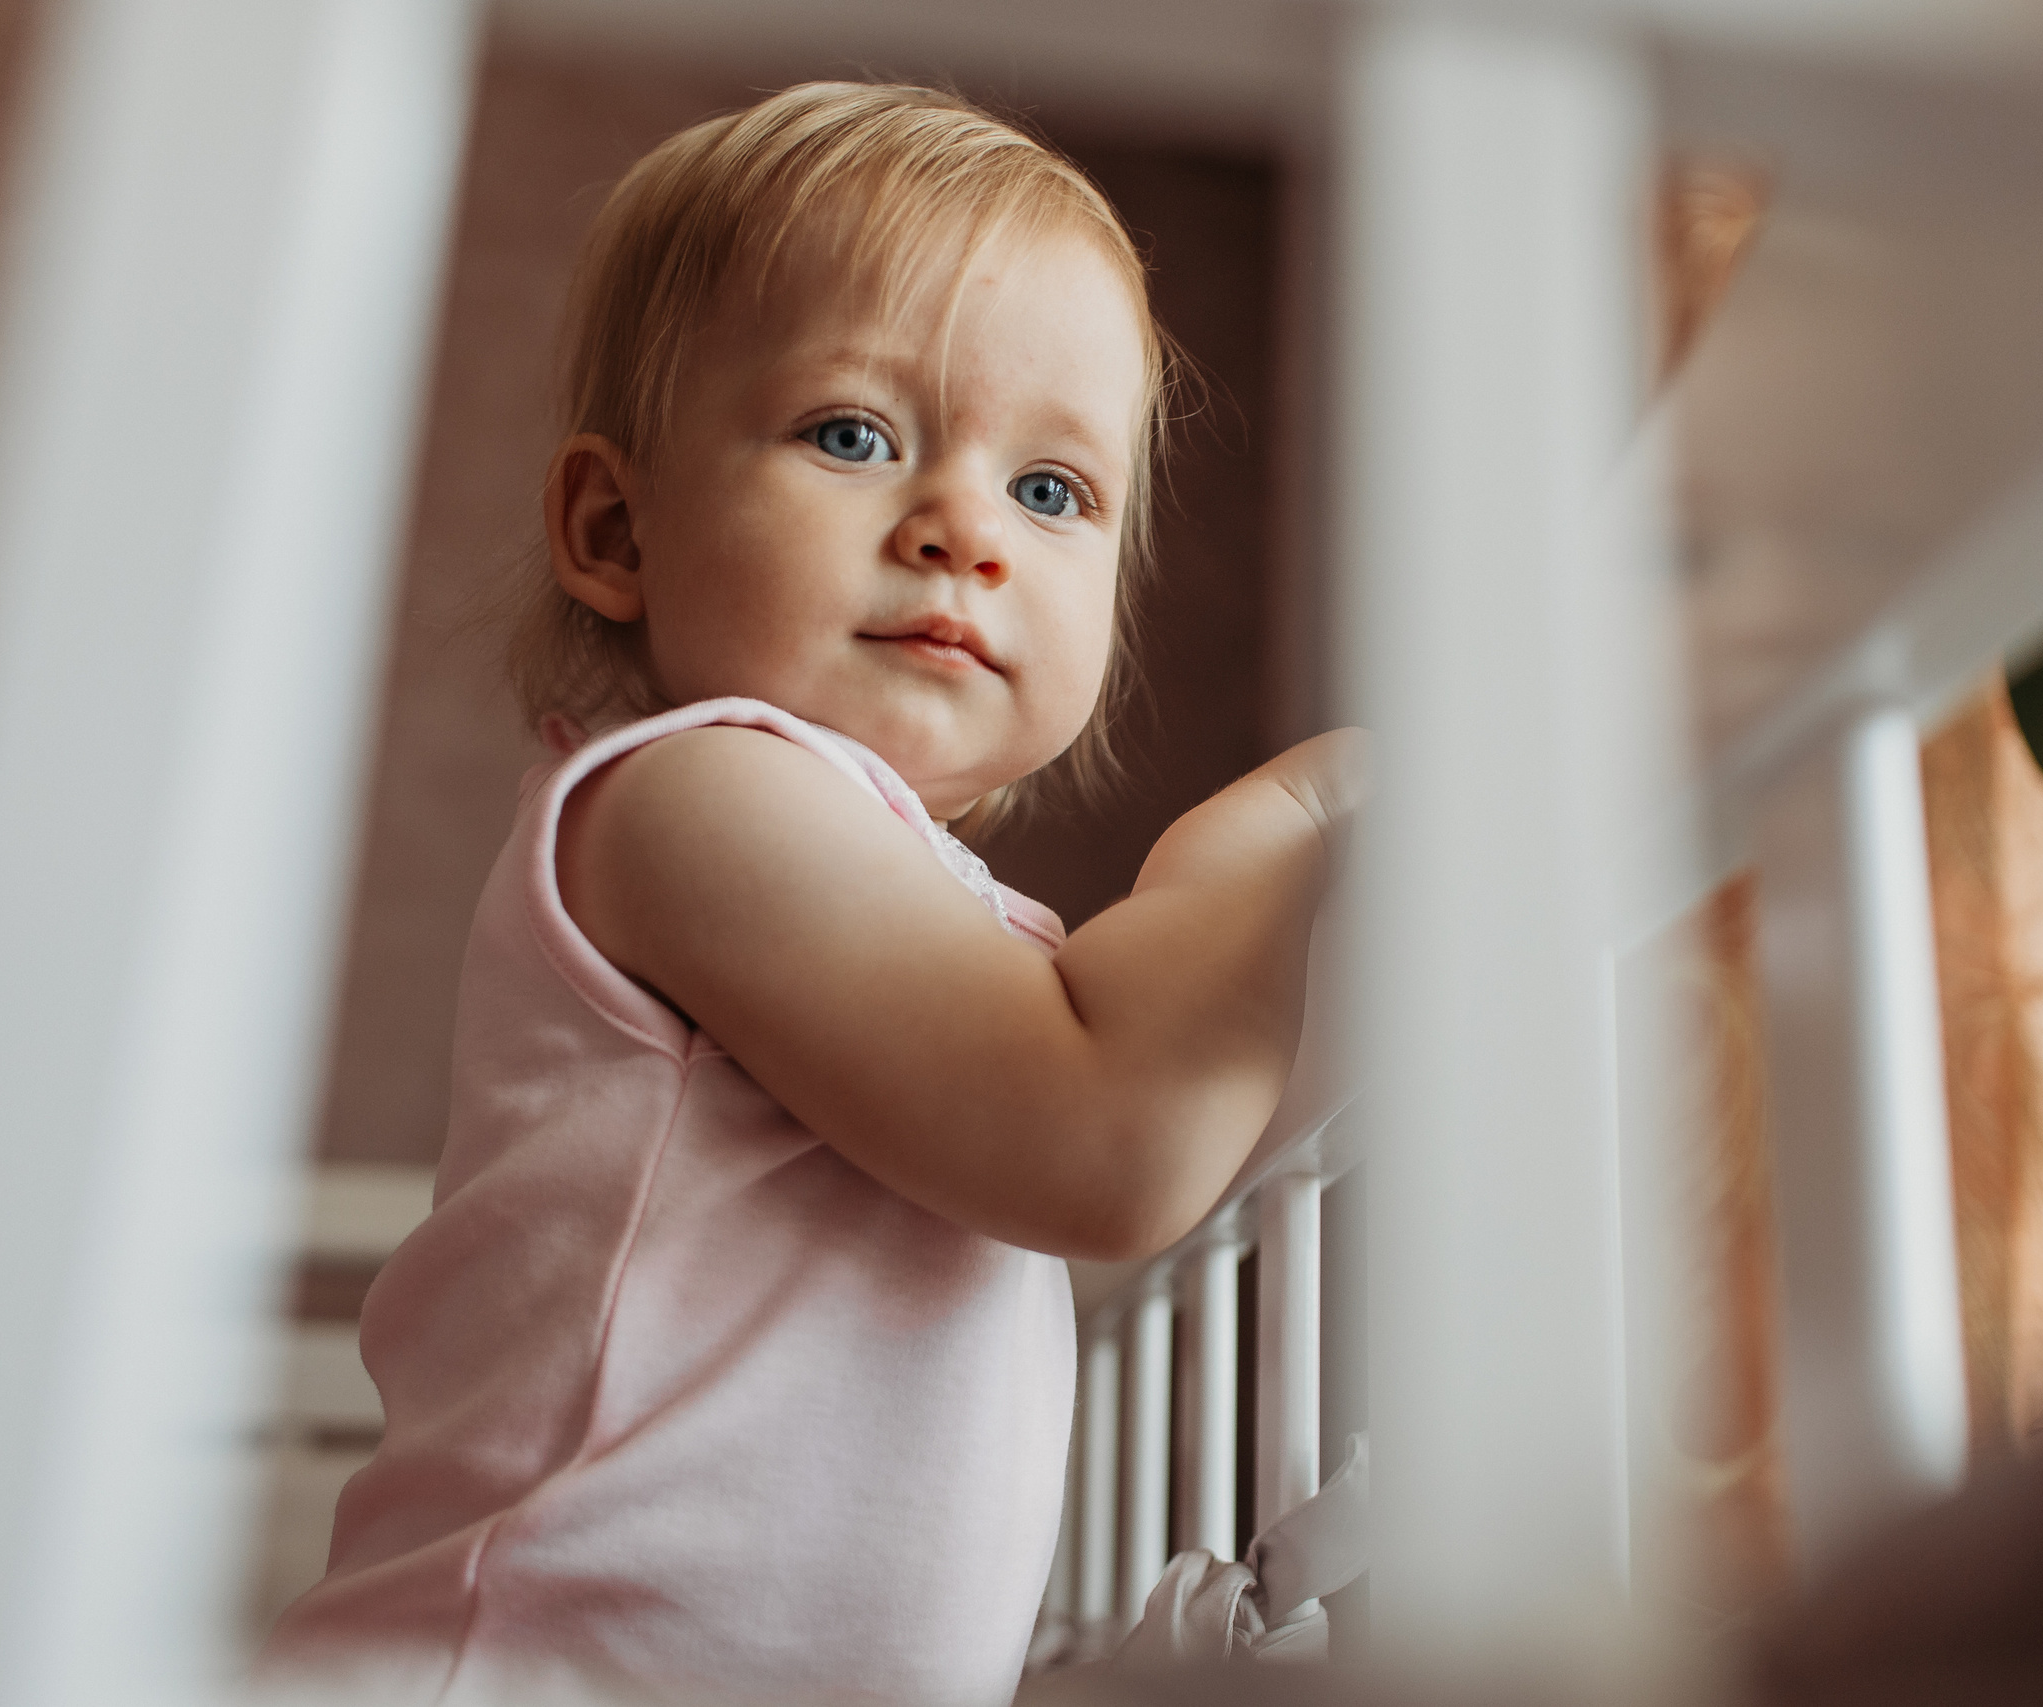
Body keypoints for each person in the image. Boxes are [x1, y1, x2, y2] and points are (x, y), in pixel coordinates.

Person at [260, 82, 1362, 1706]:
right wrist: (1287, 821)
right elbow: (1107, 1144)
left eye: (1052, 491)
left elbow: (1171, 1113)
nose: (964, 530)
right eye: (853, 435)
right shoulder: (697, 797)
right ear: (615, 527)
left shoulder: (905, 899)